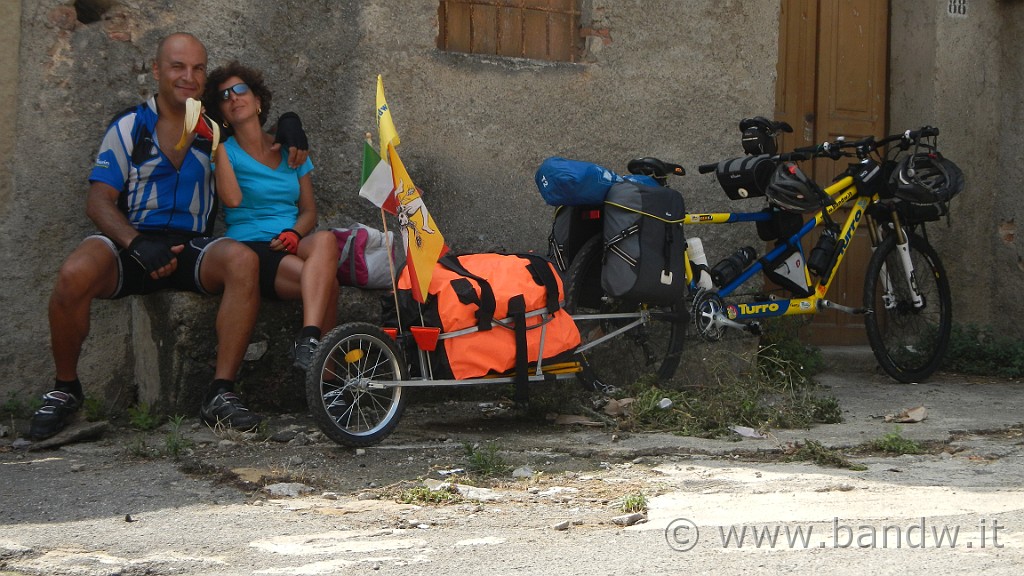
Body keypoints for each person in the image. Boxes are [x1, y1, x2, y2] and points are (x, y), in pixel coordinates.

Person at [30, 33, 309, 439]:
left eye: (198, 68)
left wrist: (290, 122)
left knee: (242, 260)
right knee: (74, 272)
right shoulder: (130, 126)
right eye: (178, 66)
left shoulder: (214, 131)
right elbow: (99, 201)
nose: (188, 76)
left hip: (192, 245)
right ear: (157, 70)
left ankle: (220, 394)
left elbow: (254, 129)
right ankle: (65, 390)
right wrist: (137, 243)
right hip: (135, 243)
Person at [201, 62, 339, 372]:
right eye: (224, 96)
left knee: (327, 240)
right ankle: (326, 380)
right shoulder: (225, 152)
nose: (233, 97)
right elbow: (233, 200)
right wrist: (218, 147)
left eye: (240, 90)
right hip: (252, 247)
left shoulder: (291, 149)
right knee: (327, 286)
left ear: (258, 100)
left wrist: (294, 234)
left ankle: (310, 339)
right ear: (222, 112)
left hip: (289, 240)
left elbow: (309, 211)